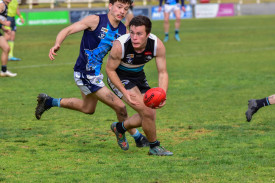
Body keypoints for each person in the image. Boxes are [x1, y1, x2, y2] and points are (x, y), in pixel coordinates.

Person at [35, 0, 149, 149]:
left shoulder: (123, 31)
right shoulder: (96, 20)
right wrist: (57, 43)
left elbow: (128, 53)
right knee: (120, 107)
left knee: (88, 108)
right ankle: (137, 137)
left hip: (94, 74)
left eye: (125, 9)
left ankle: (48, 101)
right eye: (119, 7)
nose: (122, 11)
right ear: (110, 6)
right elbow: (68, 30)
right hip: (84, 74)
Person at [106, 15, 173, 156]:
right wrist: (124, 92)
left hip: (138, 76)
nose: (134, 37)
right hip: (118, 77)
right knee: (147, 112)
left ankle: (120, 128)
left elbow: (162, 72)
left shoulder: (156, 45)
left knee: (150, 113)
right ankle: (154, 146)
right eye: (132, 33)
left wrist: (162, 93)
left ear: (148, 35)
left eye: (139, 34)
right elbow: (110, 70)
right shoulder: (120, 45)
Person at [0, 0, 17, 77]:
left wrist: (4, 29)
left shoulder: (5, 5)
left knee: (6, 48)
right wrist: (4, 23)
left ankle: (3, 71)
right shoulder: (1, 4)